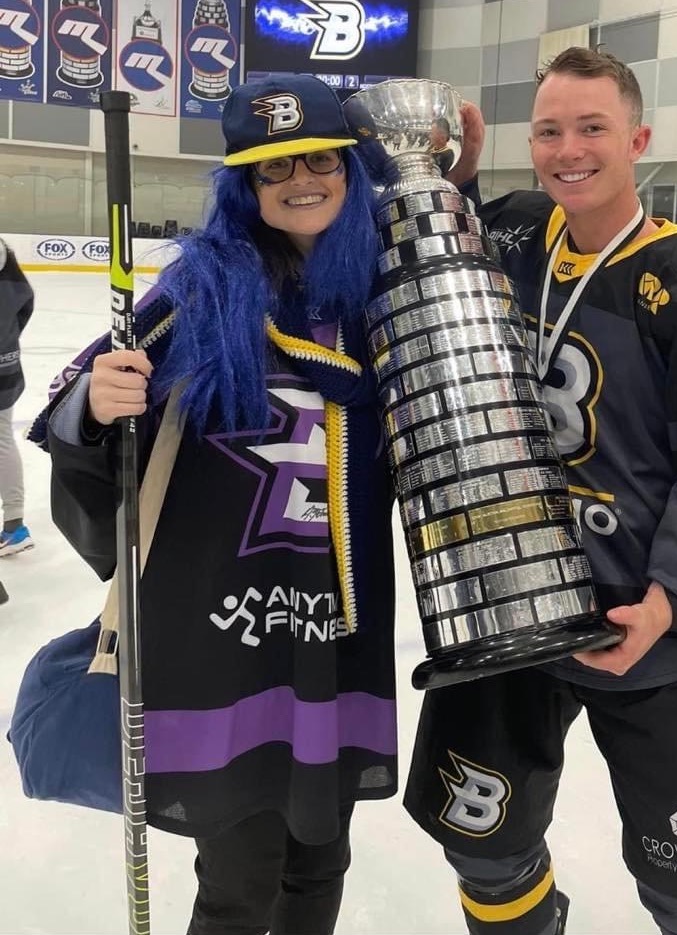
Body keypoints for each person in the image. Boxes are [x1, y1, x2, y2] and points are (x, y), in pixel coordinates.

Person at [404, 47, 677, 935]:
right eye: (548, 130)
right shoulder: (510, 234)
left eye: (592, 129)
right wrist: (449, 174)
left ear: (638, 139)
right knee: (484, 846)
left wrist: (673, 605)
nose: (567, 149)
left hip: (643, 629)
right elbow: (433, 242)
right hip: (506, 611)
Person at [28, 75, 396, 935]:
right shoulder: (204, 289)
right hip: (225, 640)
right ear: (245, 187)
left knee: (320, 860)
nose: (300, 179)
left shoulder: (382, 293)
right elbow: (71, 403)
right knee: (241, 879)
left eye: (317, 158)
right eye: (274, 169)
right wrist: (100, 398)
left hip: (337, 630)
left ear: (349, 167)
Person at [0, 238, 35, 558]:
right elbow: (25, 303)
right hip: (7, 367)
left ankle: (14, 526)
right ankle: (13, 525)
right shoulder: (5, 255)